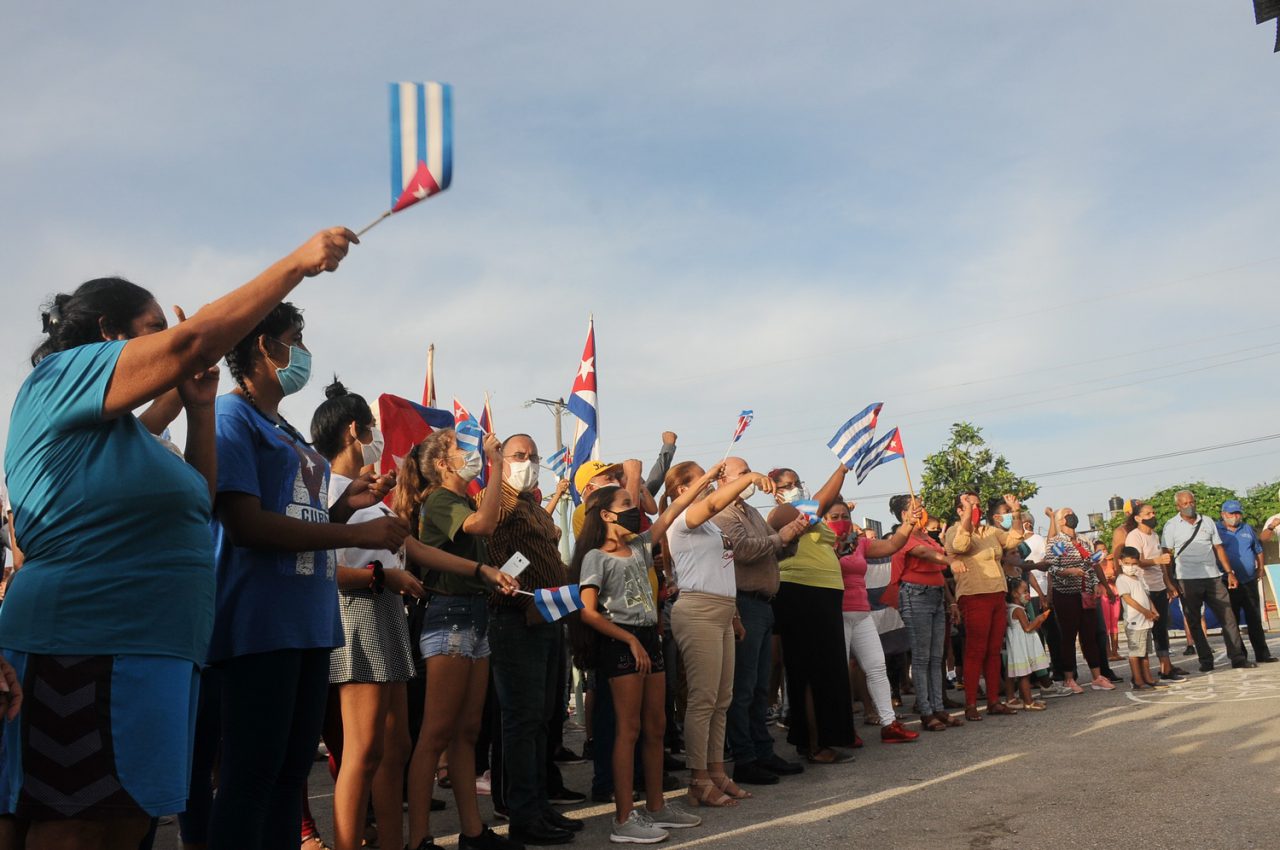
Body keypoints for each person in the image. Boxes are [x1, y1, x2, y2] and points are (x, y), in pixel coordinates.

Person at [0, 229, 356, 848]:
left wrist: (196, 407)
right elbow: (193, 341)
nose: (168, 339)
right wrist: (298, 264)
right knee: (79, 828)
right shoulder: (57, 376)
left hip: (146, 653)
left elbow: (199, 496)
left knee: (123, 824)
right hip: (89, 644)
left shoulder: (124, 440)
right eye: (153, 327)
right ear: (109, 333)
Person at [209, 298, 412, 850]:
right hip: (260, 623)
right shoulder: (231, 417)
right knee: (250, 779)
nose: (303, 351)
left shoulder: (287, 428)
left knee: (289, 777)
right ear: (263, 346)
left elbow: (304, 516)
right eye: (295, 337)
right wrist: (355, 534)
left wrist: (347, 507)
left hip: (309, 622)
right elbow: (248, 524)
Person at [394, 428, 524, 850]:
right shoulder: (439, 499)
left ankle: (472, 831)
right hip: (449, 615)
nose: (471, 455)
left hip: (473, 614)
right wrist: (496, 463)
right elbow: (484, 524)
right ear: (441, 465)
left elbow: (484, 521)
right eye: (461, 451)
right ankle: (419, 841)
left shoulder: (461, 499)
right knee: (435, 733)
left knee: (466, 731)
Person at [571, 485, 704, 843]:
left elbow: (672, 510)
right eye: (626, 504)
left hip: (649, 638)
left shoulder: (642, 545)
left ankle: (657, 806)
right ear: (605, 515)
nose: (634, 510)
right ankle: (624, 817)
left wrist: (706, 480)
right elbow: (587, 611)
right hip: (621, 641)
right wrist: (629, 639)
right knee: (628, 729)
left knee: (656, 726)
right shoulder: (595, 557)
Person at [483, 434, 584, 846]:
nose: (528, 462)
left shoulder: (529, 504)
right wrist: (517, 591)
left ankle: (539, 802)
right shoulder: (498, 502)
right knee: (522, 720)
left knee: (543, 717)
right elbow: (492, 554)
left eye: (533, 456)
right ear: (502, 460)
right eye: (519, 456)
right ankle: (521, 812)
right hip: (514, 619)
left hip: (547, 617)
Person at [664, 461, 772, 807]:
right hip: (697, 611)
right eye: (702, 478)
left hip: (723, 612)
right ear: (683, 490)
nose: (711, 484)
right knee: (703, 700)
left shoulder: (710, 528)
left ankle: (716, 770)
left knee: (721, 701)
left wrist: (736, 615)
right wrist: (749, 478)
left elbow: (723, 570)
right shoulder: (682, 519)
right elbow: (710, 504)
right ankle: (698, 778)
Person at [711, 457, 808, 786]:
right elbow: (743, 550)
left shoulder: (749, 512)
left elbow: (775, 550)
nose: (752, 480)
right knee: (744, 687)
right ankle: (746, 757)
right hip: (744, 603)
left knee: (759, 685)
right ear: (723, 479)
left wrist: (791, 535)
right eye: (744, 473)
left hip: (763, 604)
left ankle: (762, 751)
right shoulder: (721, 512)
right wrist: (780, 537)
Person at [768, 466, 861, 762]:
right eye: (787, 484)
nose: (795, 488)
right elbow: (821, 503)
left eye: (797, 482)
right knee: (807, 669)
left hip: (824, 591)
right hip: (800, 590)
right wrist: (841, 469)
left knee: (828, 668)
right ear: (774, 490)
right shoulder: (780, 515)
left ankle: (828, 737)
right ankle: (812, 743)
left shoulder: (810, 512)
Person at [826, 499, 923, 743]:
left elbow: (892, 544)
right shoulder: (820, 544)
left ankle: (890, 724)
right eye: (834, 517)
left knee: (877, 668)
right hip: (836, 614)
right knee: (837, 673)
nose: (840, 521)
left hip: (861, 613)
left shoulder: (858, 543)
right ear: (824, 520)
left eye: (844, 516)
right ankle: (843, 729)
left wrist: (908, 523)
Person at [944, 492, 1025, 721]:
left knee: (993, 651)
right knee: (975, 650)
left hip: (996, 594)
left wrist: (1016, 512)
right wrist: (967, 517)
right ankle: (970, 704)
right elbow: (961, 544)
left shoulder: (990, 531)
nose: (975, 508)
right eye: (969, 505)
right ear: (959, 510)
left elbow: (1015, 539)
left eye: (976, 504)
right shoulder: (953, 531)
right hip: (974, 595)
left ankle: (993, 701)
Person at [889, 495, 964, 730]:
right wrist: (948, 559)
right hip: (915, 595)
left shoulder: (925, 536)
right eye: (916, 507)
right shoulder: (904, 537)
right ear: (904, 514)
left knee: (935, 656)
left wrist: (951, 601)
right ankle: (925, 711)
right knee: (921, 658)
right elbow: (923, 555)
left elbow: (937, 571)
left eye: (922, 506)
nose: (922, 511)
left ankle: (938, 708)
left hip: (934, 595)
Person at [1160, 490, 1252, 672]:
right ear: (1178, 506)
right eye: (1185, 503)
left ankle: (1238, 658)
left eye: (1192, 502)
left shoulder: (1207, 521)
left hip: (1213, 577)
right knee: (1193, 621)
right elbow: (1166, 556)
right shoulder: (1171, 526)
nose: (1189, 506)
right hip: (1187, 580)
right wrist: (1170, 583)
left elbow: (1218, 548)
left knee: (1228, 617)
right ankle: (1206, 660)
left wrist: (1229, 572)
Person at [1044, 507, 1113, 694]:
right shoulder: (1057, 542)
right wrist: (1069, 571)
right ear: (1060, 521)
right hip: (1066, 593)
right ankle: (1068, 678)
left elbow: (1093, 564)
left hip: (1086, 592)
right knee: (1068, 636)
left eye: (1072, 513)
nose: (1071, 516)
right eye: (1067, 514)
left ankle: (1097, 676)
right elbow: (1051, 568)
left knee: (1089, 634)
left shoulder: (1084, 540)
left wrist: (1099, 584)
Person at [1122, 501, 1187, 683]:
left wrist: (1169, 584)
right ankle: (1143, 674)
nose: (1152, 516)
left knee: (1161, 628)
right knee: (1145, 630)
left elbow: (1163, 564)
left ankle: (1166, 666)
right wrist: (1156, 560)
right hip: (1143, 588)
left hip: (1158, 586)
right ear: (1137, 518)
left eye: (1153, 513)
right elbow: (1134, 561)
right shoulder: (1134, 537)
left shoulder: (1155, 535)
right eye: (1148, 514)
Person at [1216, 500, 1276, 664]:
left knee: (1254, 618)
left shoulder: (1247, 528)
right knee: (1231, 621)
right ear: (1223, 514)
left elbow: (1258, 549)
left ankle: (1262, 654)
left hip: (1249, 580)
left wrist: (1261, 567)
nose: (1235, 517)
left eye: (1238, 513)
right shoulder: (1216, 530)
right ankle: (1238, 656)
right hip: (1227, 581)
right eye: (1231, 514)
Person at [1114, 547, 1168, 691]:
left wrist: (1153, 610)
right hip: (1134, 622)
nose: (1130, 567)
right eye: (1127, 563)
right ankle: (1138, 680)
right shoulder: (1122, 579)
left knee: (1144, 652)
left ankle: (1147, 677)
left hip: (1145, 621)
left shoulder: (1139, 578)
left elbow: (1146, 596)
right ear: (1120, 562)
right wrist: (1144, 612)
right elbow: (1128, 599)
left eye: (1133, 563)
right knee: (1135, 653)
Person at [1003, 580, 1050, 711]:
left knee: (1023, 673)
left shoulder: (1012, 608)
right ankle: (1029, 702)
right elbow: (1027, 628)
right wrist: (1039, 618)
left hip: (1018, 644)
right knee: (1024, 675)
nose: (1027, 594)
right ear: (1014, 594)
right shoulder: (1018, 610)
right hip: (1020, 646)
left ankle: (1026, 699)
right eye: (1024, 591)